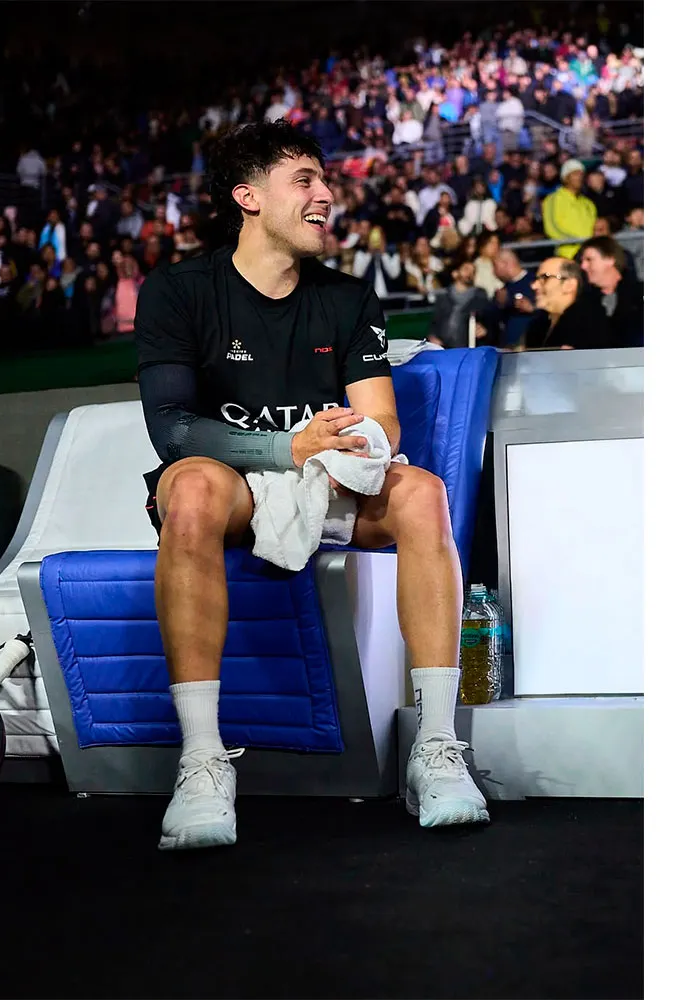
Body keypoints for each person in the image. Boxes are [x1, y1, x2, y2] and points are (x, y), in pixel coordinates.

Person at [133, 121, 489, 852]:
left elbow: (380, 420)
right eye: (304, 180)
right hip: (233, 486)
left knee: (422, 492)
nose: (326, 194)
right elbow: (172, 429)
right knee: (190, 488)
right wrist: (285, 445)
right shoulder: (177, 290)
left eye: (325, 180)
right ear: (248, 196)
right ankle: (202, 760)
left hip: (324, 481)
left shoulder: (348, 298)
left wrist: (342, 451)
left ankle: (436, 747)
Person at [524, 256, 610, 350]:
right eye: (536, 279)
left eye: (545, 278)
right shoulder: (537, 325)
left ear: (569, 285)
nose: (534, 286)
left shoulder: (589, 324)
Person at [578, 236, 644, 348]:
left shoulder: (640, 295)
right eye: (582, 261)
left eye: (589, 260)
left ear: (610, 259)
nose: (583, 266)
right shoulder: (582, 302)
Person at [541, 159, 597, 259]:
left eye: (581, 174)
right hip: (567, 254)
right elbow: (551, 228)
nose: (580, 177)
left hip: (589, 254)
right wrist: (576, 241)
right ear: (566, 178)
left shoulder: (588, 203)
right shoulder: (553, 199)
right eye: (575, 174)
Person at [427, 259, 489, 348]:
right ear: (455, 273)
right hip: (443, 347)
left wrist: (484, 329)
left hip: (468, 347)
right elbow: (434, 321)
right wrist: (432, 336)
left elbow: (486, 320)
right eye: (466, 269)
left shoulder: (479, 295)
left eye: (473, 271)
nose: (470, 273)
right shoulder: (443, 296)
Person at [490, 249, 536, 348]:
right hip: (508, 347)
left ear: (506, 263)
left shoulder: (535, 283)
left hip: (531, 346)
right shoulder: (503, 291)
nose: (493, 271)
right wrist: (500, 304)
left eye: (495, 266)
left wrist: (533, 308)